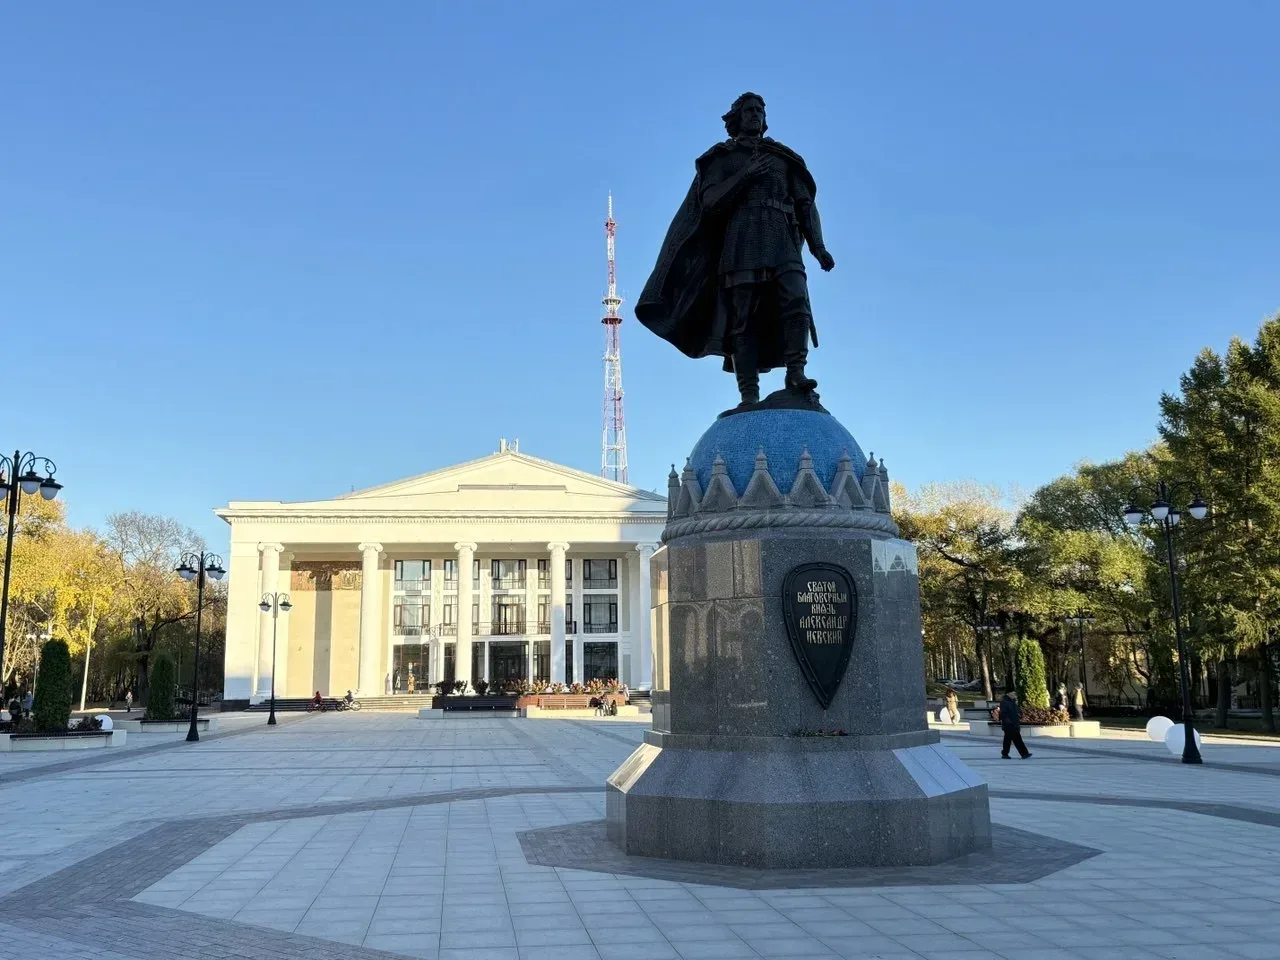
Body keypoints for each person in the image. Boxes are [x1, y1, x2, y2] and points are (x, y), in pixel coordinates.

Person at [635, 92, 836, 414]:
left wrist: (818, 247)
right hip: (741, 241)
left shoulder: (782, 157)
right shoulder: (722, 158)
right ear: (736, 118)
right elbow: (710, 203)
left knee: (796, 300)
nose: (755, 114)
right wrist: (746, 175)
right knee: (743, 319)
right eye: (749, 110)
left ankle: (796, 373)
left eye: (760, 110)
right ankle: (749, 393)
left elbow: (805, 205)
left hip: (781, 238)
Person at [997, 689, 1031, 759]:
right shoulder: (1004, 702)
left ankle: (1005, 754)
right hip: (1010, 725)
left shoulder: (1013, 702)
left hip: (1014, 724)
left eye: (1015, 694)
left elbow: (1017, 711)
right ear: (1008, 694)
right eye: (1013, 693)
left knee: (1008, 740)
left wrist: (1020, 715)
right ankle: (1024, 753)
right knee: (1017, 739)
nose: (1015, 695)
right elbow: (1003, 714)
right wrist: (1009, 722)